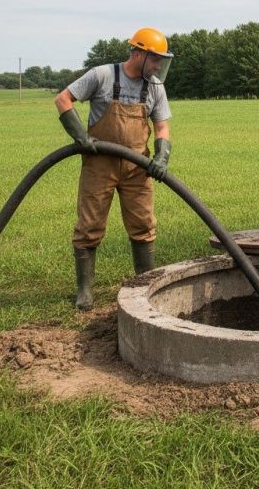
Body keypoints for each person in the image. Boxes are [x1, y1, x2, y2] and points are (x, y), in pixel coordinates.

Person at [55, 27, 174, 310]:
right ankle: (85, 291)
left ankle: (144, 286)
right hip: (99, 166)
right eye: (155, 59)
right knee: (89, 226)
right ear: (138, 53)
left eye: (161, 61)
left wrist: (161, 158)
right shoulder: (102, 75)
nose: (158, 66)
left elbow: (162, 126)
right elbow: (63, 99)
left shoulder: (155, 86)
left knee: (143, 225)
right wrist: (81, 138)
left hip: (137, 168)